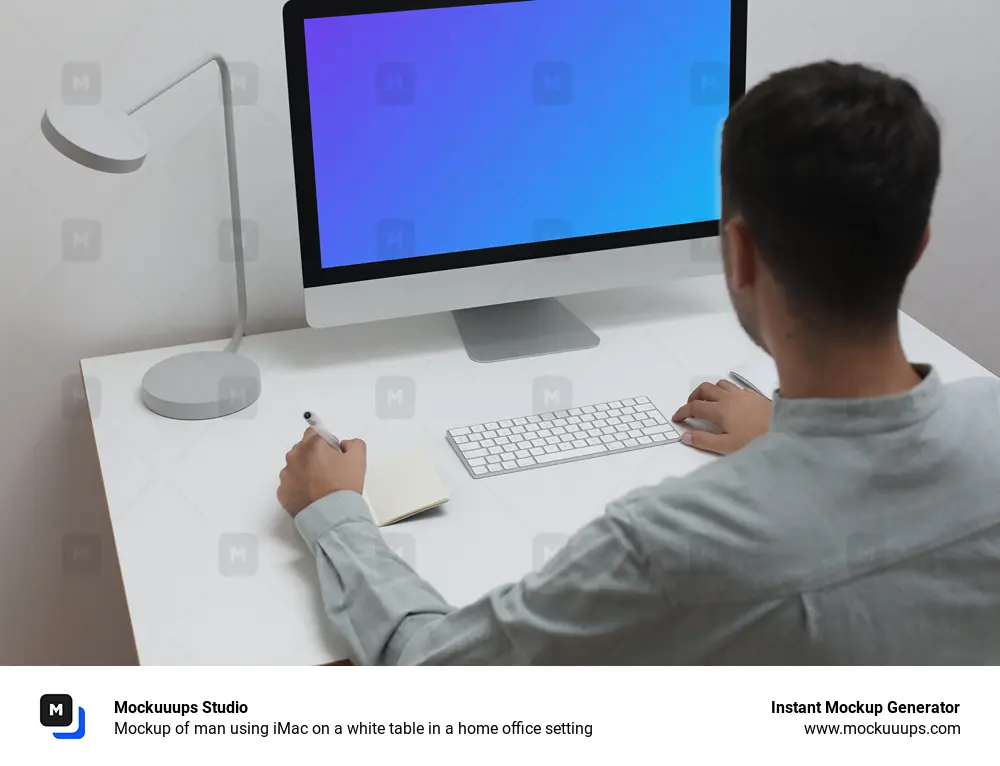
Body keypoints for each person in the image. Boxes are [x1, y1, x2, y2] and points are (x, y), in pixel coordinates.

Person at [277, 61, 1000, 664]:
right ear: (919, 243)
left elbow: (438, 681)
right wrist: (793, 436)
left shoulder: (671, 548)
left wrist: (335, 517)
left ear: (741, 253)